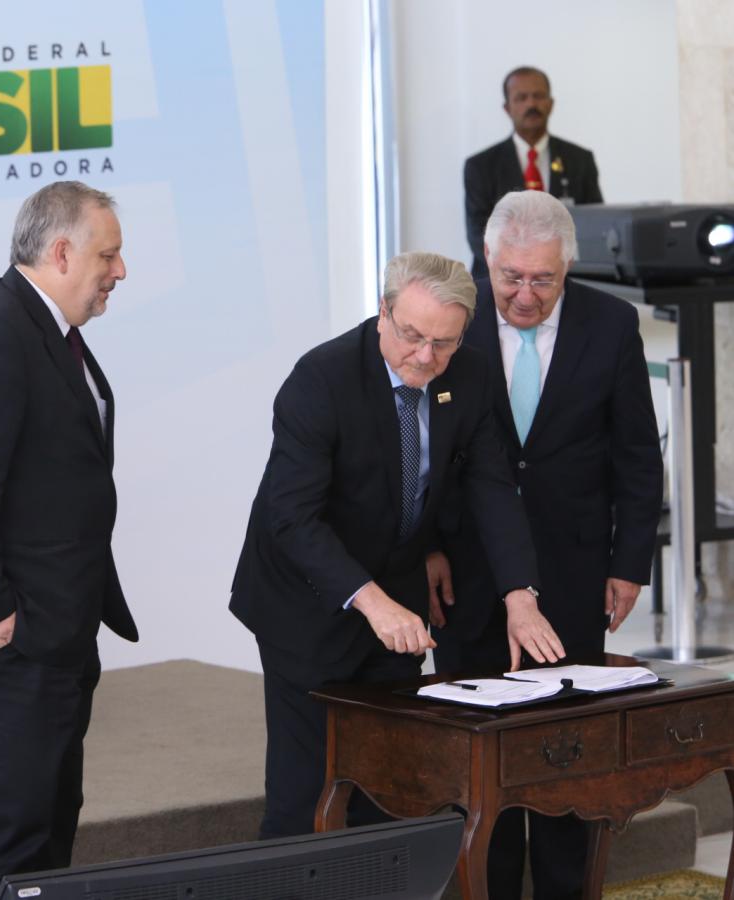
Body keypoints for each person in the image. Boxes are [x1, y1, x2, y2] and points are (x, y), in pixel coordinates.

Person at [229, 251, 564, 841]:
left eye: (444, 343)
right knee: (303, 793)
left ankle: (377, 881)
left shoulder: (471, 374)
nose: (426, 357)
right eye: (412, 336)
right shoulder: (322, 379)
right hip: (307, 601)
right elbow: (292, 518)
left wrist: (520, 594)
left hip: (400, 599)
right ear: (383, 312)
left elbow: (490, 486)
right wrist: (372, 601)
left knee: (389, 789)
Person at [429, 190, 663, 900]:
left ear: (568, 268)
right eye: (511, 278)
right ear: (487, 259)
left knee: (566, 757)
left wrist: (629, 563)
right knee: (479, 757)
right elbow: (425, 451)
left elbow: (636, 454)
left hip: (573, 567)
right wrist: (428, 550)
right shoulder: (452, 322)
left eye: (544, 280)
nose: (525, 296)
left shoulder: (611, 324)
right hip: (467, 572)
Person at [0, 181, 139, 900]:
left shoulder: (44, 329)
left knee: (49, 816)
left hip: (55, 616)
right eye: (109, 255)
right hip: (10, 628)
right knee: (12, 825)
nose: (120, 270)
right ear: (61, 252)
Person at [465, 66, 603, 279]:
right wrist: (526, 272)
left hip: (567, 278)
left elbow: (594, 225)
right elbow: (479, 235)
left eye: (538, 96)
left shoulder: (580, 160)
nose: (531, 104)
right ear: (507, 108)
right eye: (521, 98)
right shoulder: (481, 166)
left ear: (551, 104)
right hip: (500, 283)